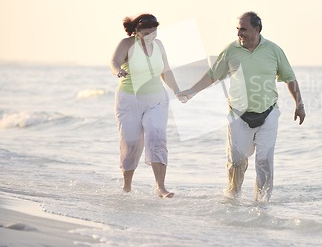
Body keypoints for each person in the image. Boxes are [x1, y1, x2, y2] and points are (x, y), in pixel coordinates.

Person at [177, 11, 305, 202]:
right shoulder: (231, 51)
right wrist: (191, 91)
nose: (239, 33)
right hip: (238, 114)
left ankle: (262, 203)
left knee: (264, 160)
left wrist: (299, 104)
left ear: (257, 29)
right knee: (236, 160)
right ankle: (233, 195)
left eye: (243, 29)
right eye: (237, 29)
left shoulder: (274, 50)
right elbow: (213, 75)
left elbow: (289, 77)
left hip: (268, 113)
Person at [110, 13, 180, 198]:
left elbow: (166, 71)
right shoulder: (126, 44)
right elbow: (114, 62)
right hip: (129, 99)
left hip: (156, 99)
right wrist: (118, 71)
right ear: (137, 31)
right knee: (131, 142)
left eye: (154, 31)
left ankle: (161, 187)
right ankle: (127, 187)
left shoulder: (159, 45)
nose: (152, 36)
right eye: (148, 32)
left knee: (157, 137)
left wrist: (178, 90)